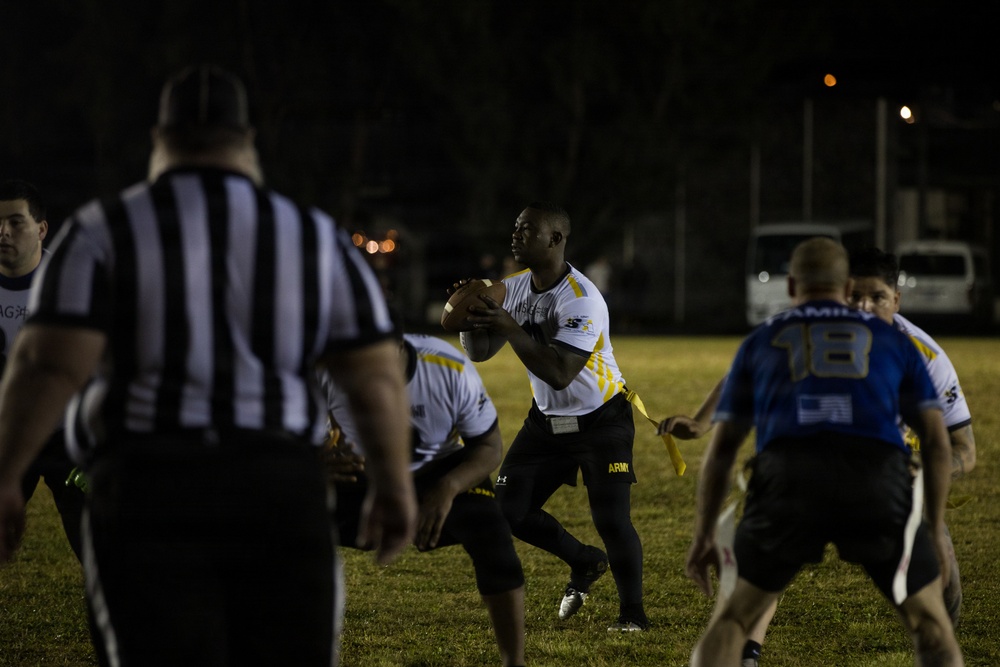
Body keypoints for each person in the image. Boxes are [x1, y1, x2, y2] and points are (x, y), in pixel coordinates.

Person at [0, 64, 417, 667]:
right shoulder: (307, 233)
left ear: (158, 139)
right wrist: (395, 483)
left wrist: (8, 472)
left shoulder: (103, 230)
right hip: (276, 485)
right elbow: (374, 374)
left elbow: (46, 367)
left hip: (148, 485)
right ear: (246, 139)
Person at [662, 245, 975, 666]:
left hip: (789, 476)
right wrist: (932, 528)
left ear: (791, 285)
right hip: (877, 478)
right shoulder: (893, 342)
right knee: (931, 625)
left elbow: (721, 454)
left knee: (731, 619)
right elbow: (939, 443)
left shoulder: (765, 338)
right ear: (846, 288)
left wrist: (703, 536)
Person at [461, 201, 648, 632]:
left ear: (556, 239)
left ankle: (633, 616)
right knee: (509, 510)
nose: (516, 235)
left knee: (611, 518)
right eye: (515, 227)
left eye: (527, 229)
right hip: (547, 422)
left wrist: (508, 326)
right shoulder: (513, 286)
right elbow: (481, 354)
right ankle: (583, 561)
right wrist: (468, 316)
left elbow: (561, 374)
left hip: (602, 419)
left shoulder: (582, 298)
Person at [321, 331, 527, 667]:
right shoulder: (327, 368)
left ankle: (514, 662)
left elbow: (489, 447)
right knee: (286, 525)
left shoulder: (447, 367)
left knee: (492, 534)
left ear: (401, 346)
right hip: (358, 470)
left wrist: (448, 487)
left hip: (437, 469)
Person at [0, 180, 86, 561]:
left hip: (67, 434)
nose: (2, 232)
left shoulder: (75, 279)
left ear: (41, 229)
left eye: (15, 222)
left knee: (99, 545)